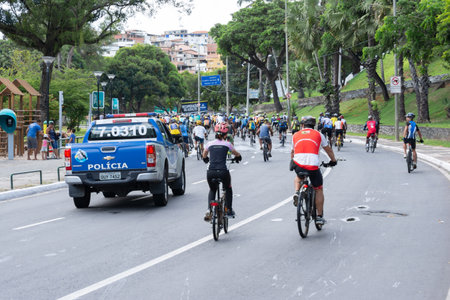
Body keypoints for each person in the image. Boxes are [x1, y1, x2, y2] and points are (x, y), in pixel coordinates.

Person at [291, 116, 337, 226]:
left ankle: (297, 192)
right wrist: (333, 160)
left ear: (302, 125)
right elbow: (328, 149)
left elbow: (293, 151)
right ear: (314, 125)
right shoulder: (318, 134)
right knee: (318, 189)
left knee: (298, 176)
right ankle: (319, 217)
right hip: (313, 166)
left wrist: (292, 161)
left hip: (299, 165)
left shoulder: (295, 135)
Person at [203, 122, 242, 221]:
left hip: (210, 172)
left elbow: (204, 154)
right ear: (225, 135)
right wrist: (238, 158)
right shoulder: (227, 144)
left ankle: (209, 210)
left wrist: (206, 159)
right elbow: (236, 153)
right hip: (223, 172)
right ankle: (228, 210)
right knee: (228, 188)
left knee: (212, 189)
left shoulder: (209, 144)